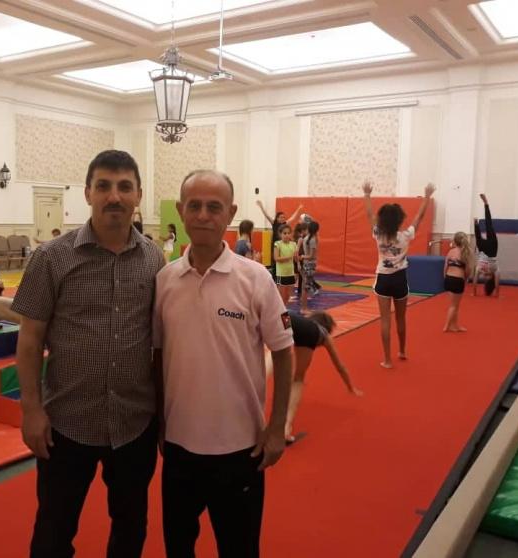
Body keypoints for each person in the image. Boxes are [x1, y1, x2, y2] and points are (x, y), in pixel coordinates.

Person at [11, 150, 164, 558]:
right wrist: (31, 410)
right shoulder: (51, 257)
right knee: (53, 533)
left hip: (134, 422)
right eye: (104, 186)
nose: (114, 196)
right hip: (66, 423)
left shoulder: (154, 258)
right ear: (87, 193)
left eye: (124, 187)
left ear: (138, 195)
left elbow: (159, 341)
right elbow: (29, 341)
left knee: (131, 528)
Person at [154, 170, 294, 558]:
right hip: (179, 450)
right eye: (194, 206)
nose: (203, 215)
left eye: (214, 207)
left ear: (230, 213)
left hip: (241, 450)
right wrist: (161, 422)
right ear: (181, 210)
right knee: (178, 548)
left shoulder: (256, 279)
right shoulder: (165, 281)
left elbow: (284, 352)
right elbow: (159, 355)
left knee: (240, 549)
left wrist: (277, 427)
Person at [363, 181, 435, 369]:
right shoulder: (405, 236)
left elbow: (370, 215)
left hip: (383, 278)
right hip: (400, 279)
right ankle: (402, 351)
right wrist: (427, 197)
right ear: (399, 221)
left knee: (385, 320)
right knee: (401, 318)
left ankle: (387, 360)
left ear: (382, 221)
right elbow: (419, 217)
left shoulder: (378, 235)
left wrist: (367, 195)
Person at [268, 312, 364, 443]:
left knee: (276, 353)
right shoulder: (322, 333)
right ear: (328, 327)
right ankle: (286, 427)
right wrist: (350, 387)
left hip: (287, 316)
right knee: (298, 379)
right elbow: (339, 366)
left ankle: (255, 379)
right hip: (308, 332)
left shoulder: (302, 319)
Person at [256, 200, 303, 280]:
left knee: (282, 261)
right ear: (277, 218)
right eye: (281, 217)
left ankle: (283, 275)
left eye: (284, 217)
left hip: (283, 245)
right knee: (275, 262)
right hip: (275, 245)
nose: (283, 218)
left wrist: (298, 209)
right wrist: (261, 206)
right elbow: (266, 215)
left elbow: (293, 218)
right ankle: (274, 277)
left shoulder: (285, 224)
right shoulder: (274, 223)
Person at [443, 232, 473, 332]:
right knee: (454, 305)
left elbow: (445, 267)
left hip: (449, 278)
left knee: (455, 305)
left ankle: (455, 325)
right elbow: (468, 270)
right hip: (458, 280)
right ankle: (447, 326)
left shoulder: (451, 252)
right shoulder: (465, 253)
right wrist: (466, 279)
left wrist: (445, 278)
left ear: (455, 241)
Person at [472, 194, 500, 297]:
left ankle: (485, 205)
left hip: (489, 249)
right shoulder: (492, 269)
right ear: (491, 278)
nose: (485, 276)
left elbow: (475, 280)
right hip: (490, 249)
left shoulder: (493, 270)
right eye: (486, 277)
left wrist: (474, 293)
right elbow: (475, 280)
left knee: (486, 228)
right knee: (486, 229)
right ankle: (476, 223)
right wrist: (474, 293)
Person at [299, 221, 320, 313]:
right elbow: (311, 255)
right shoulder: (312, 240)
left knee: (305, 286)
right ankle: (303, 308)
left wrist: (303, 257)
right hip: (309, 264)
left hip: (307, 264)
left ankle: (303, 307)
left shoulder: (307, 238)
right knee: (306, 287)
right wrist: (303, 256)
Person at [274, 224, 296, 305]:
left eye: (288, 233)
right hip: (281, 273)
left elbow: (296, 258)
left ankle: (284, 309)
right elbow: (276, 258)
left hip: (290, 272)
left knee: (287, 295)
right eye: (284, 233)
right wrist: (289, 257)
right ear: (280, 234)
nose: (287, 235)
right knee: (280, 295)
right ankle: (279, 310)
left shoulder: (293, 244)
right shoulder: (277, 244)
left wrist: (299, 258)